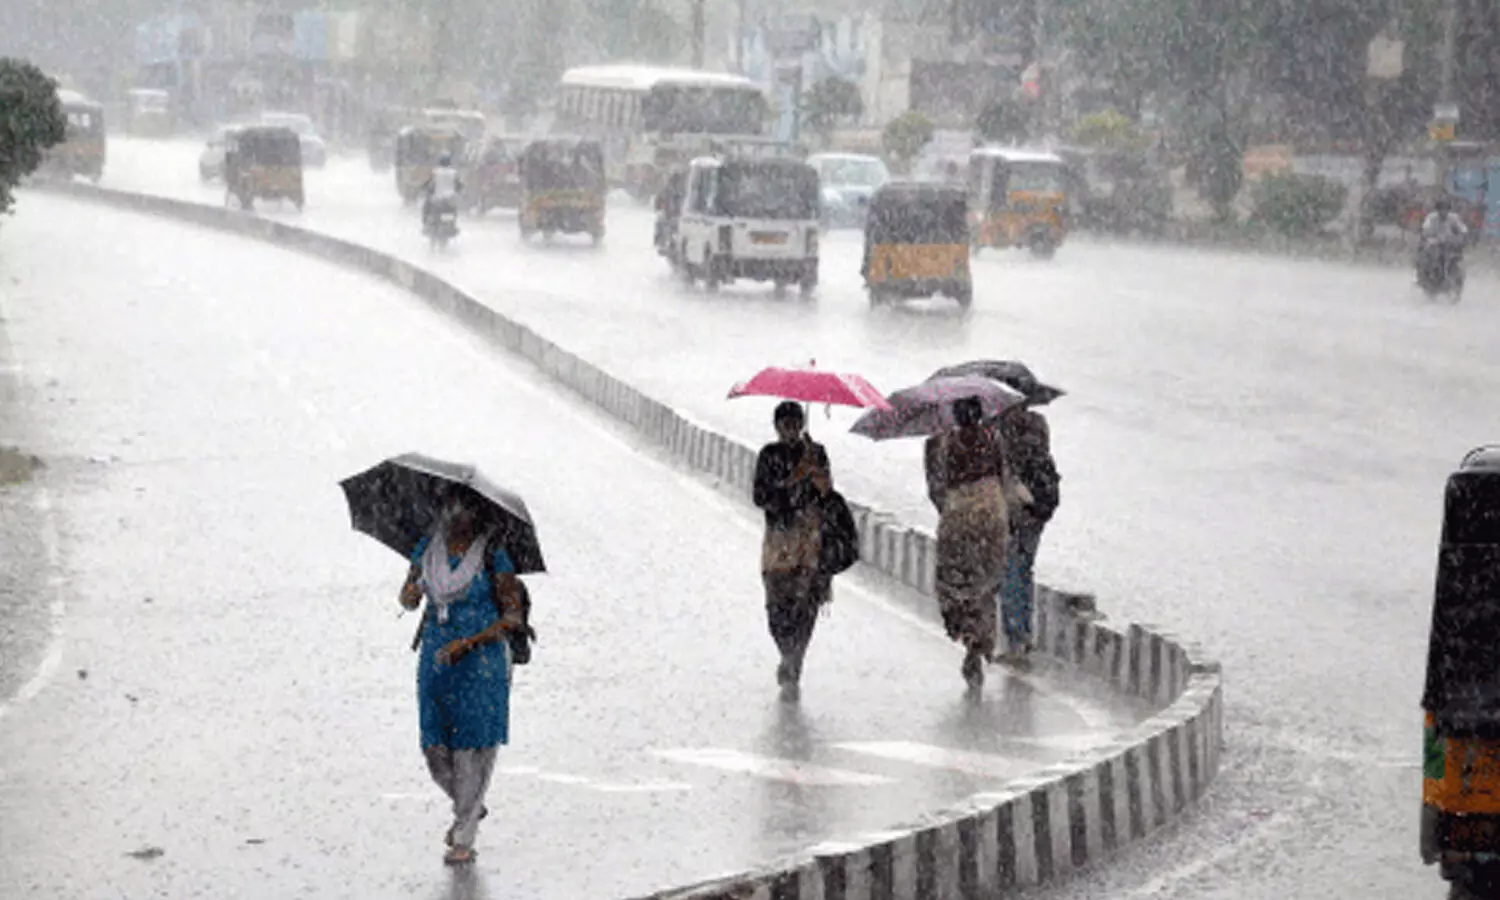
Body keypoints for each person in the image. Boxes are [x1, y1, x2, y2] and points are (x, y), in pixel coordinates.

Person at [398, 490, 524, 865]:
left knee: (473, 749)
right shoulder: (426, 550)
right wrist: (409, 591)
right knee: (435, 748)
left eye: (463, 508)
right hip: (436, 661)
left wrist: (468, 643)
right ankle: (468, 802)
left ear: (476, 513)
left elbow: (512, 617)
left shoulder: (492, 554)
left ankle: (464, 834)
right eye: (449, 507)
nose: (454, 515)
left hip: (482, 664)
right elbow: (407, 601)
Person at [924, 397, 1022, 690]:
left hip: (960, 514)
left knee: (954, 580)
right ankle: (978, 645)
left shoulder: (946, 443)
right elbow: (1005, 478)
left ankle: (966, 634)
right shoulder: (994, 438)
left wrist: (950, 510)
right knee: (986, 583)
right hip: (992, 513)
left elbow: (937, 487)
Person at [753, 401, 833, 692]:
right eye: (785, 425)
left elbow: (827, 495)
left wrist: (816, 476)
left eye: (794, 424)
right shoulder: (769, 455)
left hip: (809, 541)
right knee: (777, 605)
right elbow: (760, 496)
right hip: (779, 540)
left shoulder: (816, 453)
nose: (790, 430)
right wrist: (790, 483)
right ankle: (787, 652)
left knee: (807, 602)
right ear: (776, 427)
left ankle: (796, 656)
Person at [996, 402, 1061, 661]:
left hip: (1019, 510)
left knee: (1010, 570)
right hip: (1040, 507)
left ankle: (1016, 639)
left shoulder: (1007, 431)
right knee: (1023, 568)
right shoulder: (1038, 424)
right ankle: (1023, 633)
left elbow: (1007, 471)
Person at [1419, 197, 1468, 286]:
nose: (1443, 211)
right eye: (1441, 209)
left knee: (1458, 260)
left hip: (1450, 246)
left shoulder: (1454, 218)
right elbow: (1425, 230)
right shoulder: (1431, 218)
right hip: (1435, 245)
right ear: (1437, 210)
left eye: (1445, 209)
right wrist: (1431, 238)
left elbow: (1463, 230)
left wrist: (1461, 237)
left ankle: (1457, 280)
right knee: (1426, 258)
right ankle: (1424, 277)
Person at [422, 152, 462, 231]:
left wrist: (424, 188)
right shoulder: (454, 173)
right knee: (454, 210)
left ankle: (426, 224)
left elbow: (428, 184)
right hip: (451, 199)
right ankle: (453, 224)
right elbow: (459, 186)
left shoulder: (435, 172)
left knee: (426, 207)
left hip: (437, 199)